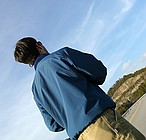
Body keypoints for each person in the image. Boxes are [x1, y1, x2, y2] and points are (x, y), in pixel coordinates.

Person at [14, 37, 145, 140]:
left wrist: (69, 117)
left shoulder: (36, 90)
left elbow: (53, 125)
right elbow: (99, 71)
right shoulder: (61, 56)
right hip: (103, 124)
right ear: (39, 46)